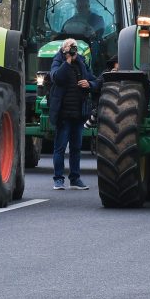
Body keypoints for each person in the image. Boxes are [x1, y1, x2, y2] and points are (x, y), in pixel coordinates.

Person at [49, 38, 97, 191]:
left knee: (76, 148)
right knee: (60, 148)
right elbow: (56, 77)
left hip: (78, 114)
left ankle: (75, 179)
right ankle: (58, 179)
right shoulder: (58, 61)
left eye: (74, 47)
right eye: (69, 47)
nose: (72, 49)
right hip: (63, 114)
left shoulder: (82, 63)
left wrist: (89, 84)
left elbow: (94, 80)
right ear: (63, 49)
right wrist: (68, 61)